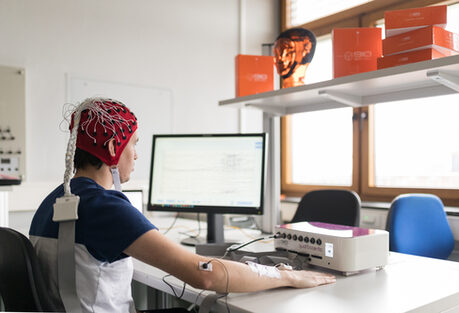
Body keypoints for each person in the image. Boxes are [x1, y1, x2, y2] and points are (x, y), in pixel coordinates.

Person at [29, 97, 335, 313]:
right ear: (112, 148)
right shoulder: (105, 208)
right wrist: (286, 275)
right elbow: (205, 274)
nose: (136, 155)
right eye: (133, 144)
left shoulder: (55, 199)